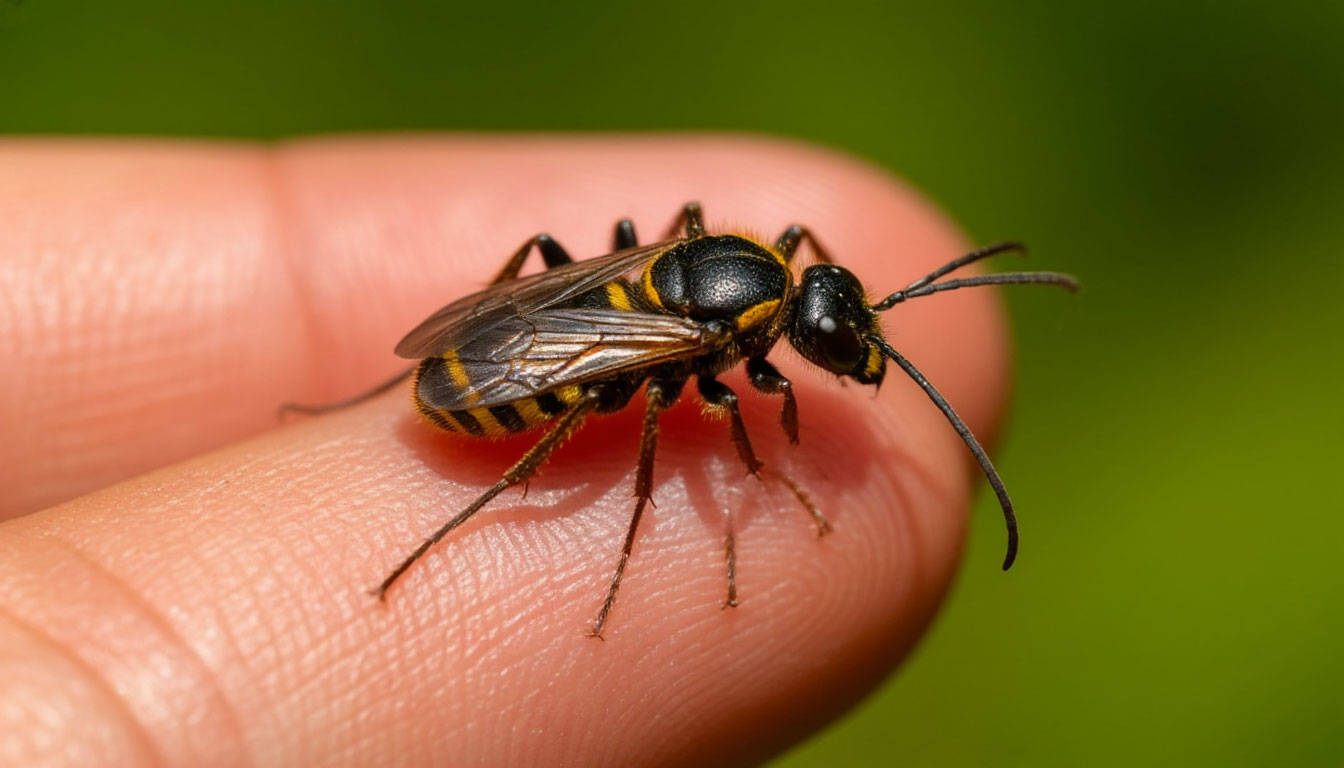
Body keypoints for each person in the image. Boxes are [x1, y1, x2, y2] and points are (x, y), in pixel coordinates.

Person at [0, 136, 1011, 766]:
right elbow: (701, 404)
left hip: (601, 308)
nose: (852, 352)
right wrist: (740, 488)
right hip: (512, 379)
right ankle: (472, 512)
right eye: (844, 336)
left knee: (650, 376)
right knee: (654, 403)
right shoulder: (731, 334)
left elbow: (715, 301)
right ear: (790, 319)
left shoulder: (754, 262)